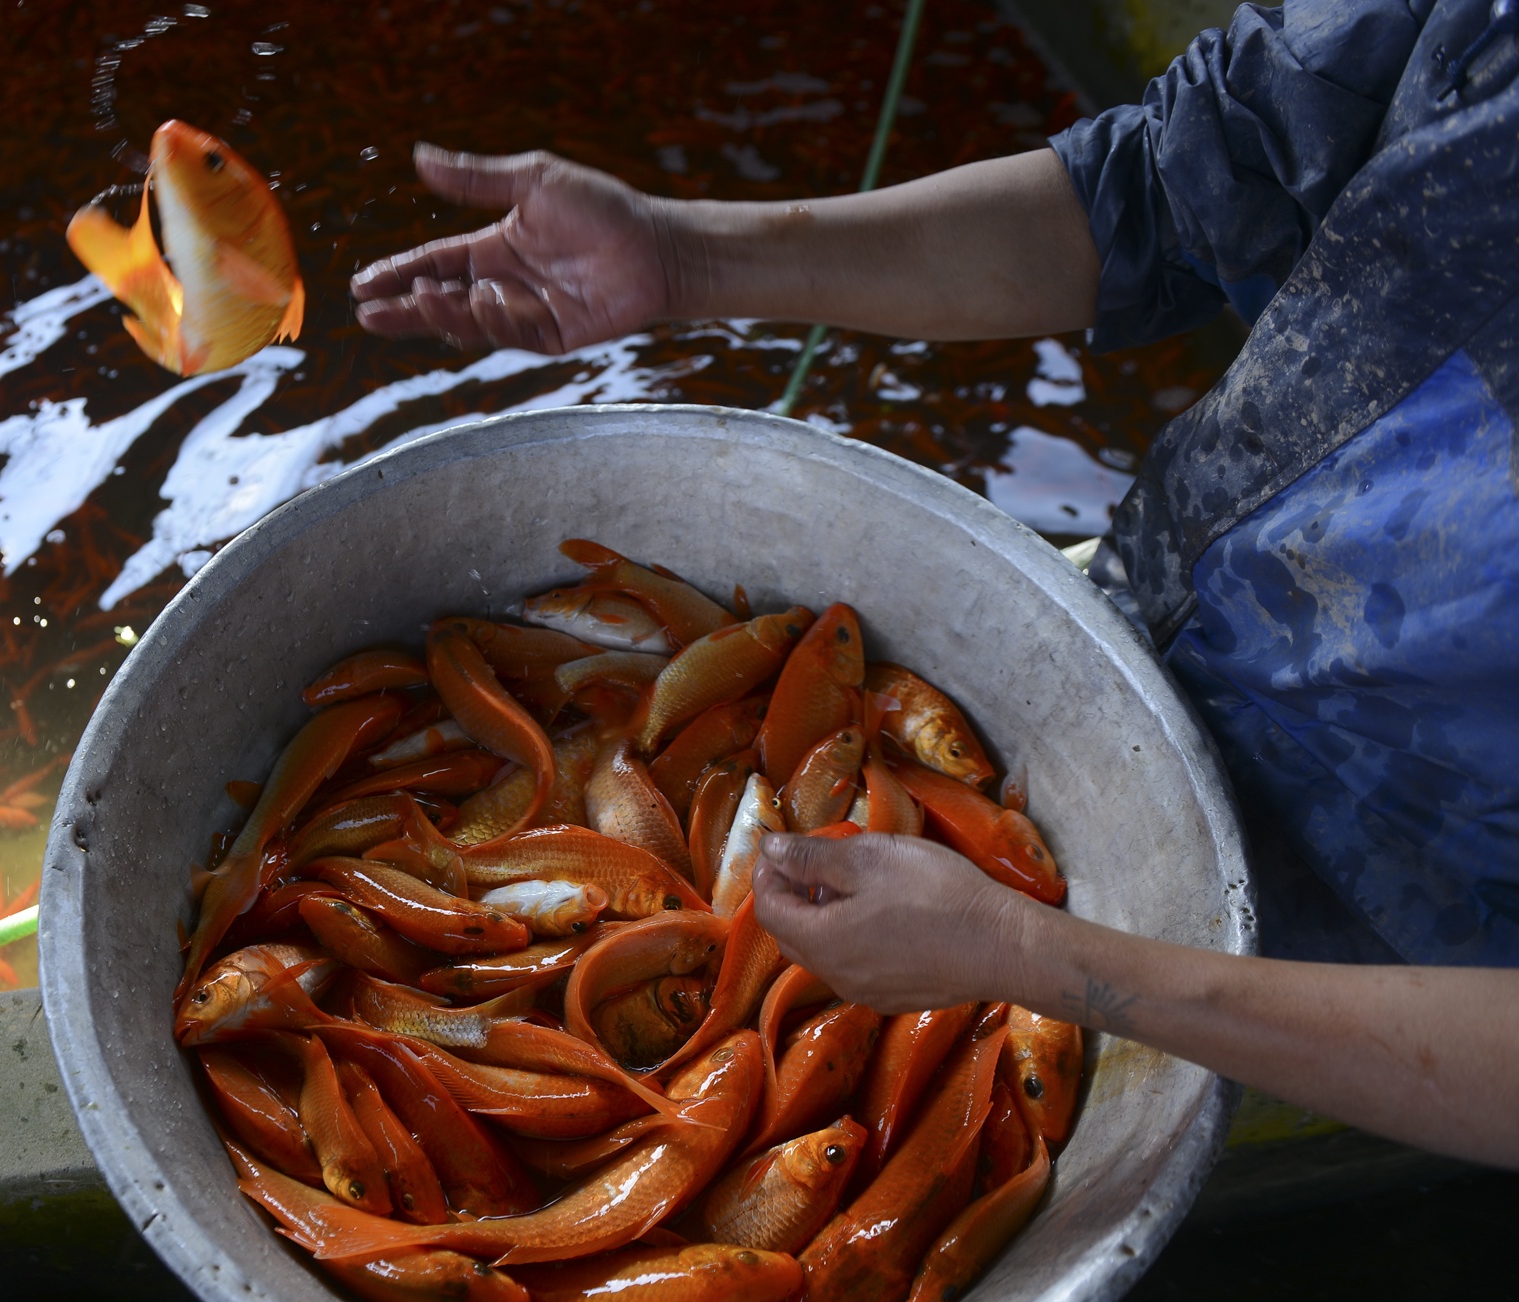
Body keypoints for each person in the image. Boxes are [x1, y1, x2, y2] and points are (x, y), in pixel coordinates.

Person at [350, 0, 1519, 1169]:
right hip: (1136, 658)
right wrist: (686, 256)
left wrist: (1036, 960)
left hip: (1389, 977)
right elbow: (1176, 180)